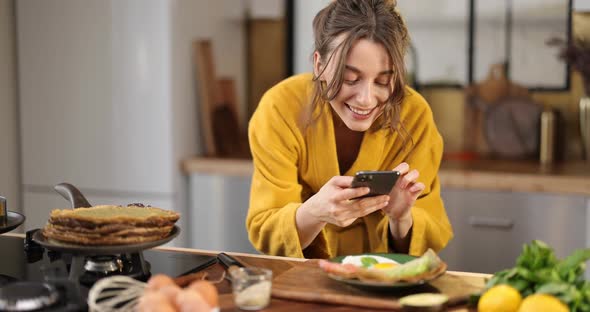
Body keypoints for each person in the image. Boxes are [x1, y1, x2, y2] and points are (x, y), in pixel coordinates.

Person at [246, 0, 452, 259]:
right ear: (319, 65)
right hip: (301, 280)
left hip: (382, 282)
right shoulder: (281, 107)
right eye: (349, 78)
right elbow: (266, 228)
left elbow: (427, 238)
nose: (366, 99)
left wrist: (401, 218)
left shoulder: (414, 115)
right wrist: (314, 212)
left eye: (383, 81)